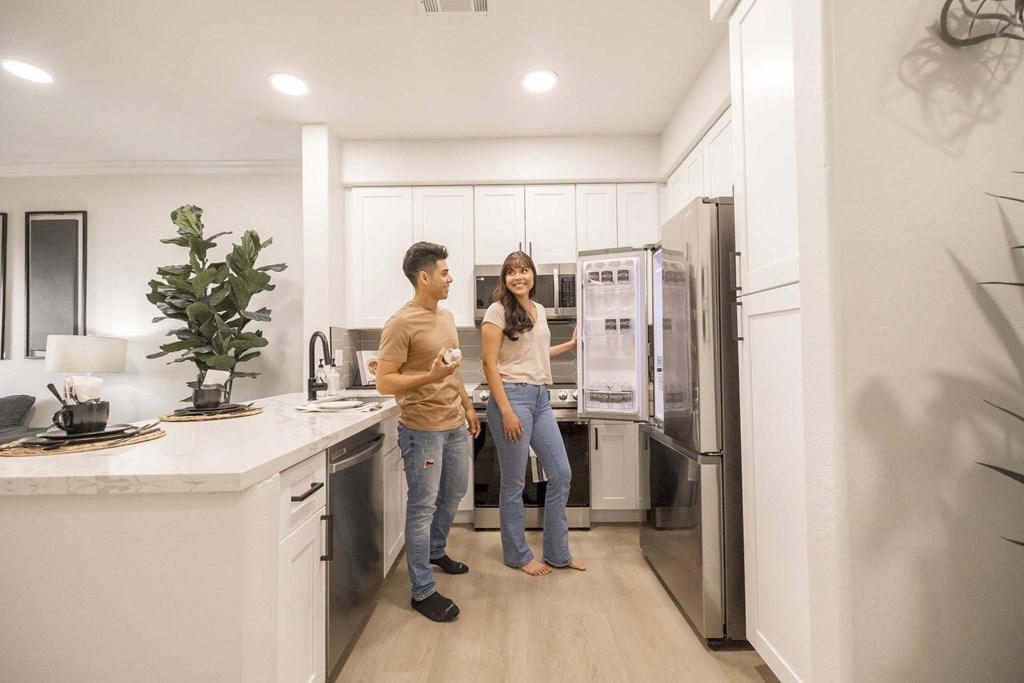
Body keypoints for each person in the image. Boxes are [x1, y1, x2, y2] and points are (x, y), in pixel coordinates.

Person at [376, 241, 481, 622]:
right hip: (422, 430)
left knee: (454, 491)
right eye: (445, 272)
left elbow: (452, 370)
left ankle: (436, 550)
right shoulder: (400, 323)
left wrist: (468, 406)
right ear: (424, 277)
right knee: (422, 507)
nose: (450, 278)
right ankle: (422, 591)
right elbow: (384, 382)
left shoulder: (446, 317)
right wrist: (430, 376)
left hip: (453, 424)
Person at [481, 250, 586, 576]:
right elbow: (489, 363)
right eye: (512, 272)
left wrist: (569, 346)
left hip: (540, 398)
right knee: (513, 484)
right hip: (511, 397)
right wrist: (506, 410)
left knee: (561, 473)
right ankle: (517, 555)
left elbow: (536, 352)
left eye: (523, 270)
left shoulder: (538, 309)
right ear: (505, 278)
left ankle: (558, 553)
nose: (518, 277)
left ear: (532, 275)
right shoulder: (497, 312)